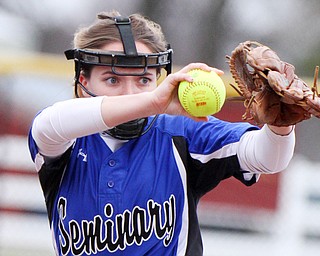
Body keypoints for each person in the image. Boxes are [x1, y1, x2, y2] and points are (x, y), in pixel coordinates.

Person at [28, 10, 295, 256]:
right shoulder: (69, 139)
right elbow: (48, 125)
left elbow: (267, 157)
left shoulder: (180, 133)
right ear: (83, 82)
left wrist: (281, 125)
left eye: (144, 80)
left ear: (158, 79)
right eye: (112, 80)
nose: (130, 92)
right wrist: (152, 101)